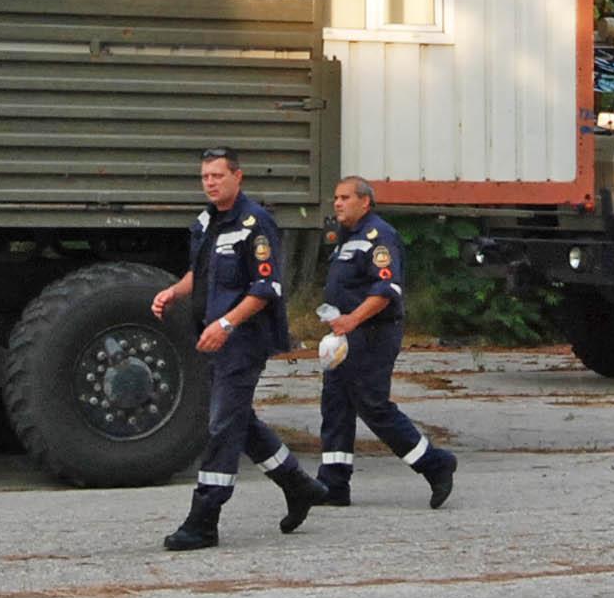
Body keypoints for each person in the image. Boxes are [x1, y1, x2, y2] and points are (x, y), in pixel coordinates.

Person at [150, 148, 327, 551]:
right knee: (240, 422)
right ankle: (299, 486)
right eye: (205, 177)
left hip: (243, 341)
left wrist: (227, 323)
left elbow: (265, 289)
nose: (210, 182)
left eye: (217, 175)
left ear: (237, 177)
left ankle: (203, 521)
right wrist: (172, 292)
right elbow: (203, 273)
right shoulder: (206, 222)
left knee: (222, 427)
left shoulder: (255, 223)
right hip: (213, 338)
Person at [313, 176, 457, 509]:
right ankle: (333, 482)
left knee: (372, 404)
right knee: (335, 402)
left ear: (365, 201)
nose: (337, 203)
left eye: (345, 197)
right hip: (345, 335)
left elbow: (386, 291)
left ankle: (435, 464)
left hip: (373, 332)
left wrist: (352, 319)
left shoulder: (379, 236)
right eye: (335, 197)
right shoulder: (346, 238)